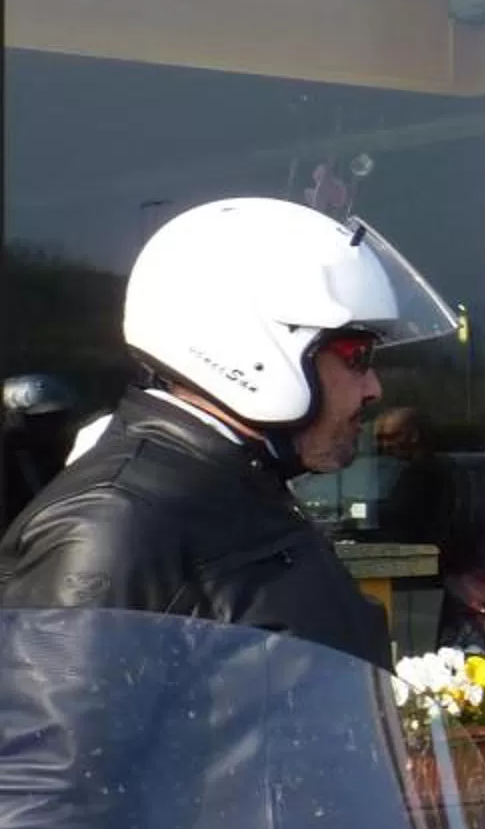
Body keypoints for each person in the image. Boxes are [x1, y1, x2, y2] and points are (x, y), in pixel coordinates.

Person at [0, 198, 459, 666]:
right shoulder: (113, 525)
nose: (374, 388)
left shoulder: (240, 488)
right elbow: (62, 713)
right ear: (251, 345)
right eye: (357, 357)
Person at [0, 374, 83, 529]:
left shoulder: (68, 453)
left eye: (57, 418)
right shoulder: (10, 461)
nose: (51, 427)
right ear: (14, 418)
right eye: (41, 419)